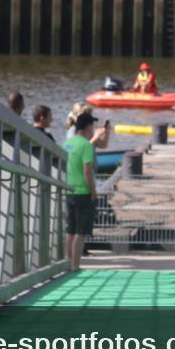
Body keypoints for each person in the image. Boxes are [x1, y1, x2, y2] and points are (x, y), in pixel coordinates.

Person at [63, 111, 100, 271]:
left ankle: (67, 263)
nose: (93, 129)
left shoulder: (67, 143)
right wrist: (93, 191)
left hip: (69, 190)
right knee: (81, 231)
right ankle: (75, 265)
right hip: (83, 192)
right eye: (92, 125)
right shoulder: (86, 145)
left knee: (70, 230)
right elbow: (87, 171)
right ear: (88, 127)